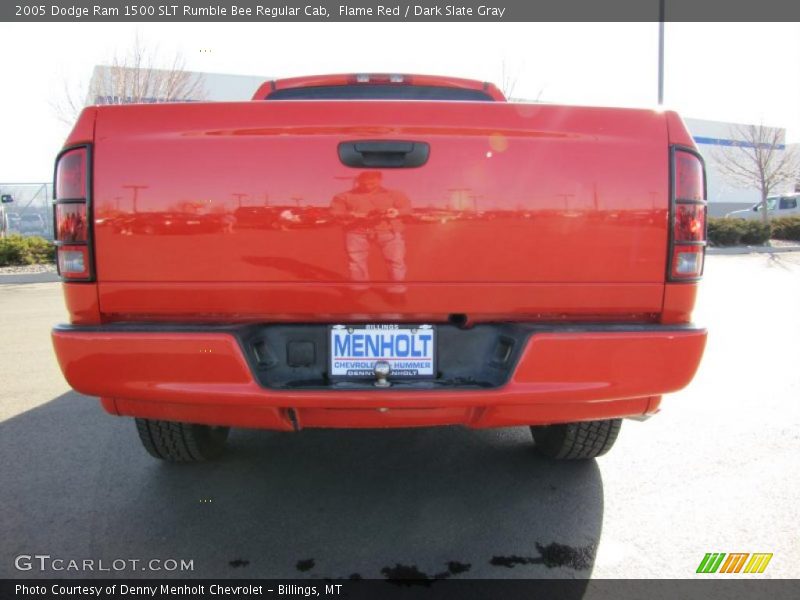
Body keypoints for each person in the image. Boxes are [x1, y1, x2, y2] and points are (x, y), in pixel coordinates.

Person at [330, 171, 410, 290]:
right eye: (364, 184)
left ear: (379, 179)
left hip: (389, 231)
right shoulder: (343, 196)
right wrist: (351, 214)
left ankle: (397, 290)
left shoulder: (395, 194)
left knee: (396, 262)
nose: (368, 187)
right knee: (356, 262)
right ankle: (360, 287)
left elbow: (407, 209)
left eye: (372, 183)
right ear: (358, 181)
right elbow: (334, 212)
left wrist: (396, 212)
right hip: (356, 232)